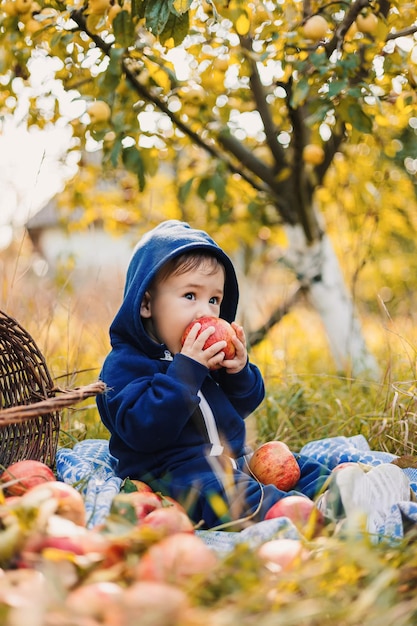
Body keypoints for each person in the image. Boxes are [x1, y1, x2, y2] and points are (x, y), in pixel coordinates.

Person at [97, 220, 330, 529]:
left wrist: (239, 371)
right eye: (190, 296)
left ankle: (339, 491)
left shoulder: (204, 355)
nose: (205, 312)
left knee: (299, 465)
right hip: (176, 475)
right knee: (227, 496)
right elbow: (142, 428)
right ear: (146, 304)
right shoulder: (125, 365)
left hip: (234, 459)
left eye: (214, 300)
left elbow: (244, 404)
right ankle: (292, 514)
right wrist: (186, 373)